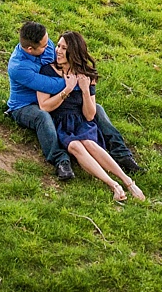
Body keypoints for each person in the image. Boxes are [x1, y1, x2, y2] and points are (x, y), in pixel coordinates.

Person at [5, 21, 141, 181]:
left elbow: (60, 65)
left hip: (58, 98)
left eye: (50, 41)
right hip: (26, 105)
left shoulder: (46, 45)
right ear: (30, 49)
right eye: (45, 45)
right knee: (43, 116)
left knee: (98, 108)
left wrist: (86, 85)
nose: (52, 48)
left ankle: (122, 154)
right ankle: (60, 161)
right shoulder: (19, 67)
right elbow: (50, 84)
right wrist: (80, 81)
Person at [37, 31, 144, 202]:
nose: (58, 50)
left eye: (64, 48)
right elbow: (44, 106)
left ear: (74, 51)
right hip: (60, 122)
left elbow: (89, 115)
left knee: (88, 143)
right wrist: (67, 89)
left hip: (81, 122)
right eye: (58, 46)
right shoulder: (47, 70)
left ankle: (128, 182)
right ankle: (114, 185)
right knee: (74, 146)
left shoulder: (87, 75)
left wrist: (85, 90)